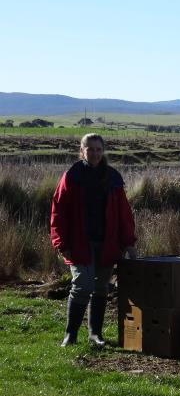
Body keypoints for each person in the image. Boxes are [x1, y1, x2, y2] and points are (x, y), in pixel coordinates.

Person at [51, 133, 137, 347]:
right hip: (79, 243)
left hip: (106, 243)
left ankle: (95, 335)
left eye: (99, 149)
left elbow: (124, 214)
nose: (95, 153)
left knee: (101, 288)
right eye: (90, 149)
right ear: (82, 151)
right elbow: (58, 211)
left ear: (103, 151)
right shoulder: (72, 176)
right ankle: (70, 336)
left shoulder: (113, 178)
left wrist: (129, 242)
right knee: (82, 284)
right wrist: (61, 243)